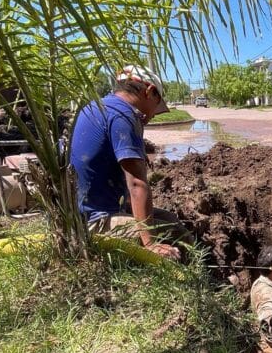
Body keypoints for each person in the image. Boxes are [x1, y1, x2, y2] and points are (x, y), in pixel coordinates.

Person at [70, 65, 189, 260]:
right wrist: (150, 244)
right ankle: (188, 281)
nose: (151, 116)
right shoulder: (124, 116)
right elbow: (136, 184)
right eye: (156, 107)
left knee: (170, 219)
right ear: (149, 92)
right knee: (175, 233)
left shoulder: (97, 106)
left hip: (82, 211)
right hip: (95, 221)